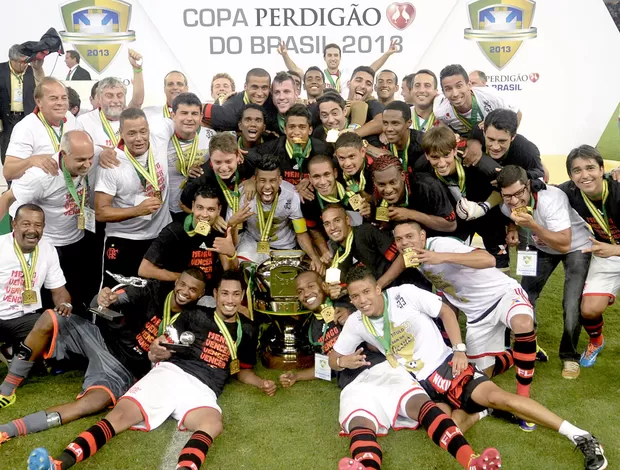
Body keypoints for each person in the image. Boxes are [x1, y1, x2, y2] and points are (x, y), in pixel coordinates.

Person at [332, 266, 608, 470]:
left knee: (501, 398)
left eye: (366, 292)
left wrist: (459, 350)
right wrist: (342, 361)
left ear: (377, 288)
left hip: (446, 368)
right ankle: (481, 415)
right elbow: (334, 357)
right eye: (355, 297)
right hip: (417, 386)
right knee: (445, 430)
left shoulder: (403, 294)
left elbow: (446, 312)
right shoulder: (357, 322)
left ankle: (580, 435)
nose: (361, 300)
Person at [28, 271, 277, 470]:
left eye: (235, 294)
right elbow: (164, 342)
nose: (230, 300)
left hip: (205, 388)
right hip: (171, 373)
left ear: (243, 295)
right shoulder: (194, 315)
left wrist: (260, 383)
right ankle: (59, 462)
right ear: (215, 294)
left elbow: (240, 370)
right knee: (119, 418)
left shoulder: (249, 329)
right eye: (224, 293)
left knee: (213, 424)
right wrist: (157, 350)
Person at [0, 269, 206, 443]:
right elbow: (104, 303)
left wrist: (158, 356)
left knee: (90, 405)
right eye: (183, 285)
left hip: (121, 369)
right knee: (50, 317)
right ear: (176, 282)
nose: (185, 292)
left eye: (193, 290)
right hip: (99, 338)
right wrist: (104, 299)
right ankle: (7, 389)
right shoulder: (154, 290)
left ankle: (8, 429)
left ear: (201, 294)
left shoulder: (195, 321)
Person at [392, 221, 540, 426]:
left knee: (523, 323)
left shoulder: (440, 246)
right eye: (399, 239)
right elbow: (400, 262)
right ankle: (512, 357)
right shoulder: (414, 258)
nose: (404, 243)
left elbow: (488, 260)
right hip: (477, 316)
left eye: (409, 236)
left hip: (502, 294)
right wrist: (377, 286)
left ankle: (524, 397)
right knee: (475, 382)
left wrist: (439, 257)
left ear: (423, 236)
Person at [497, 165, 592, 379]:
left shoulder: (550, 200)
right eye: (507, 196)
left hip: (575, 246)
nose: (514, 201)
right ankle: (528, 343)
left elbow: (564, 243)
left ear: (528, 186)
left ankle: (569, 356)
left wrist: (533, 226)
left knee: (571, 301)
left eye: (519, 193)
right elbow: (506, 215)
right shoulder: (506, 205)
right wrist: (512, 228)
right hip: (541, 248)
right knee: (523, 296)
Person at [0, 131, 99, 312]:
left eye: (90, 158)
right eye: (80, 160)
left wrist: (108, 152)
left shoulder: (88, 154)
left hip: (76, 240)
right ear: (63, 154)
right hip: (48, 246)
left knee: (74, 299)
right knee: (44, 305)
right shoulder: (40, 176)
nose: (87, 165)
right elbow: (6, 199)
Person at [95, 108, 171, 287]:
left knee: (156, 295)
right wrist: (137, 211)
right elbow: (100, 212)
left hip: (159, 236)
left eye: (143, 131)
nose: (139, 138)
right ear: (120, 134)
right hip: (125, 238)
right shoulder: (111, 164)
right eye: (131, 133)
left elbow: (187, 121)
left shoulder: (160, 137)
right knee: (115, 296)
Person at [559, 145, 620, 368]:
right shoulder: (570, 192)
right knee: (588, 310)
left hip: (610, 250)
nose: (585, 175)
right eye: (577, 170)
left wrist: (615, 250)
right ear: (570, 176)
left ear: (602, 169)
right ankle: (596, 341)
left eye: (590, 168)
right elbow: (544, 190)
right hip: (606, 255)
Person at [0, 204, 70, 385]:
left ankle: (15, 352)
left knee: (62, 324)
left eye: (38, 225)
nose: (32, 230)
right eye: (26, 224)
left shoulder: (48, 249)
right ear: (13, 224)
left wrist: (65, 305)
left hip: (27, 319)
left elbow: (59, 290)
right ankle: (14, 350)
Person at [422, 125, 509, 268]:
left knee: (500, 263)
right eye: (434, 157)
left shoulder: (479, 163)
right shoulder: (422, 168)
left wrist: (483, 207)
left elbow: (506, 187)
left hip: (490, 217)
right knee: (455, 264)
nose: (442, 163)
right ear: (427, 155)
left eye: (446, 155)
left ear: (455, 150)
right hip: (458, 221)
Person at [230, 154, 323, 270]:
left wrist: (314, 257)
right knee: (244, 268)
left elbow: (301, 232)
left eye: (272, 181)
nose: (267, 186)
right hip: (253, 243)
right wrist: (233, 223)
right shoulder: (242, 197)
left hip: (284, 246)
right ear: (254, 180)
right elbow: (232, 234)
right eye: (262, 180)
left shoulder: (292, 196)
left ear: (279, 180)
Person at [139, 186, 238, 294]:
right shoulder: (174, 232)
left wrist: (231, 254)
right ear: (193, 206)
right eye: (200, 207)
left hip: (205, 295)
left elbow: (229, 271)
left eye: (211, 209)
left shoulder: (217, 231)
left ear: (218, 210)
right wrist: (185, 279)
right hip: (176, 293)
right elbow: (144, 270)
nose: (204, 215)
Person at [434, 64, 520, 166]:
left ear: (469, 85)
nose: (455, 93)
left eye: (459, 86)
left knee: (523, 148)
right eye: (448, 89)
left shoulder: (492, 97)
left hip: (498, 140)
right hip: (470, 143)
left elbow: (517, 114)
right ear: (443, 92)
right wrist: (467, 141)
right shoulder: (441, 112)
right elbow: (448, 134)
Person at [321, 204, 416, 294]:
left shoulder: (365, 232)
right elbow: (340, 288)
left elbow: (403, 256)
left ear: (347, 220)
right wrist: (334, 292)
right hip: (380, 299)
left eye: (337, 220)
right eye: (327, 224)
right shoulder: (337, 255)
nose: (332, 227)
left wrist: (378, 285)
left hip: (406, 285)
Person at [3, 77, 76, 182]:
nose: (60, 103)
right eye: (53, 98)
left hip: (65, 191)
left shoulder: (71, 119)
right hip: (36, 196)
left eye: (64, 98)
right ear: (39, 102)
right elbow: (8, 172)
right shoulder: (25, 127)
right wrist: (32, 161)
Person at [157, 92, 214, 222]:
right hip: (169, 211)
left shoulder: (211, 136)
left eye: (194, 114)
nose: (189, 118)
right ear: (173, 115)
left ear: (201, 117)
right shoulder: (162, 139)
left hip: (199, 210)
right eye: (184, 113)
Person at [246, 103, 330, 188]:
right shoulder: (269, 149)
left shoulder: (323, 150)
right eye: (292, 127)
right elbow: (248, 157)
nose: (296, 132)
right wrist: (252, 180)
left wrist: (312, 180)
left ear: (310, 130)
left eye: (302, 127)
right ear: (285, 129)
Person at [370, 153, 458, 235]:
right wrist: (370, 214)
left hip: (442, 239)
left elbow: (451, 225)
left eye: (393, 182)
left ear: (402, 176)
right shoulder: (377, 193)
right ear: (374, 182)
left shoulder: (428, 186)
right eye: (381, 184)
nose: (388, 190)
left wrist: (410, 214)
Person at [278, 41, 399, 99]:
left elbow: (371, 69)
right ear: (324, 58)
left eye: (336, 55)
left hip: (346, 109)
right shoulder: (318, 76)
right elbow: (296, 71)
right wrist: (285, 55)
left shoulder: (348, 74)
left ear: (340, 58)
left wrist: (387, 54)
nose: (333, 58)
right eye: (329, 55)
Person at [75, 50, 144, 149]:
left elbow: (138, 101)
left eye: (119, 95)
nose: (115, 101)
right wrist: (102, 150)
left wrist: (137, 69)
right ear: (99, 98)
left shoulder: (130, 117)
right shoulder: (84, 121)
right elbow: (79, 150)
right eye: (109, 96)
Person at [181, 132, 255, 222]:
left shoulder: (247, 160)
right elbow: (182, 204)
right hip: (214, 227)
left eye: (228, 161)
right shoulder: (199, 177)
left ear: (238, 156)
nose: (224, 168)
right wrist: (212, 218)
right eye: (218, 162)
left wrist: (253, 179)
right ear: (210, 158)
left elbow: (269, 165)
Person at [0, 44, 44, 164]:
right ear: (11, 60)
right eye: (21, 62)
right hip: (7, 120)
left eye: (26, 62)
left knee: (28, 152)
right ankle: (10, 181)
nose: (24, 65)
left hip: (27, 117)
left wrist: (38, 69)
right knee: (7, 154)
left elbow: (42, 89)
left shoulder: (32, 71)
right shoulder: (1, 70)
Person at [202, 68, 277, 132]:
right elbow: (198, 109)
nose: (260, 93)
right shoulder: (230, 110)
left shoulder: (277, 101)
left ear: (269, 88)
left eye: (264, 88)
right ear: (245, 87)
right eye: (254, 87)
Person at [483, 109, 545, 181]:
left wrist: (515, 176)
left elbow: (541, 175)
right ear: (484, 133)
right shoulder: (476, 141)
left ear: (513, 137)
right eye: (491, 139)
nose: (495, 147)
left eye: (502, 141)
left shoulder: (527, 150)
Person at [367, 100, 427, 172]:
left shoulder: (425, 145)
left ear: (409, 123)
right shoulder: (383, 143)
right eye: (385, 123)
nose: (389, 129)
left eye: (395, 123)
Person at [334, 133, 375, 206]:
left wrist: (369, 200)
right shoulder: (334, 166)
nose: (347, 163)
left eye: (352, 156)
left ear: (362, 152)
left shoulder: (376, 170)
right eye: (342, 158)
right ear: (336, 156)